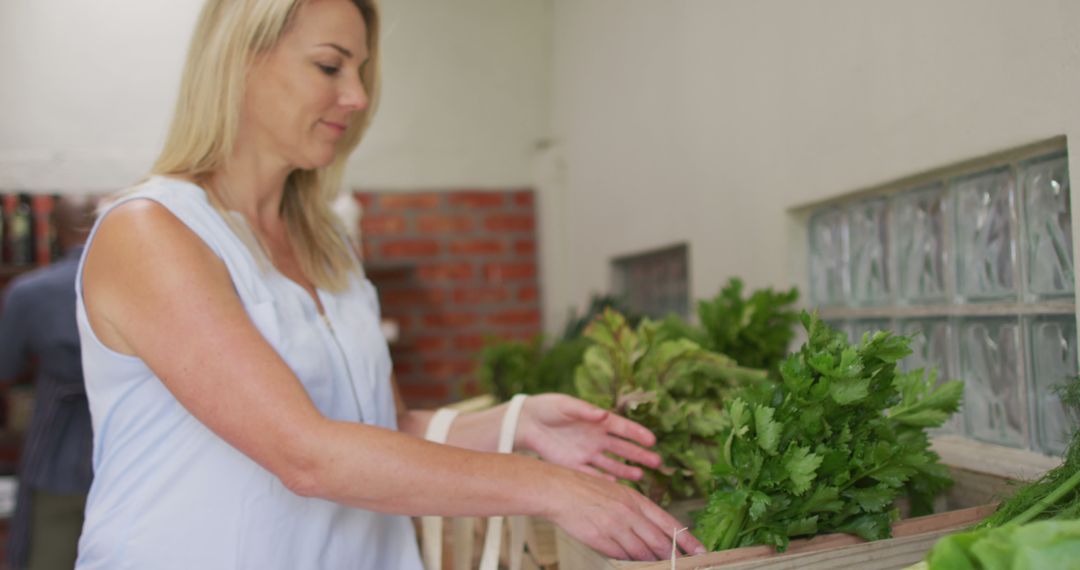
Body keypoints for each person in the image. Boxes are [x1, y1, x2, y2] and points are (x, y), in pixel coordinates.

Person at [75, 0, 706, 567]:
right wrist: (550, 488)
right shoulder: (152, 232)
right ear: (239, 61)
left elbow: (381, 425)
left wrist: (518, 424)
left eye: (362, 71)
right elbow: (307, 453)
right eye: (330, 66)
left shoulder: (329, 248)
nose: (356, 96)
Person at [0, 196, 97, 570]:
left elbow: (6, 367)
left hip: (56, 446)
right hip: (128, 445)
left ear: (54, 228)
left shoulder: (30, 292)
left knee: (48, 555)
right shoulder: (143, 286)